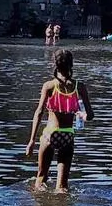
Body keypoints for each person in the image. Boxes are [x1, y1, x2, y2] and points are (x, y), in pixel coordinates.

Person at [25, 48, 93, 192]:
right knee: (62, 187)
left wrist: (31, 141)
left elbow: (39, 113)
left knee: (41, 178)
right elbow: (90, 115)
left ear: (55, 64)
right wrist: (82, 115)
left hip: (50, 133)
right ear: (71, 65)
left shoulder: (49, 86)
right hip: (67, 135)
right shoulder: (79, 87)